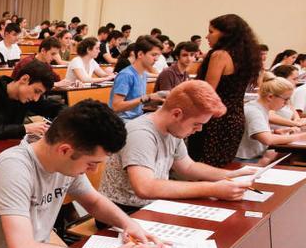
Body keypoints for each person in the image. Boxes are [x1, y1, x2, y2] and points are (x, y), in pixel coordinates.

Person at [0, 100, 163, 248]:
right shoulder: (14, 168)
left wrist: (129, 225)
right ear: (65, 150)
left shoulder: (64, 165)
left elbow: (94, 201)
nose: (92, 170)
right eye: (91, 163)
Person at [99, 81, 254, 217]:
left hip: (149, 206)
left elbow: (188, 167)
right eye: (196, 124)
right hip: (123, 212)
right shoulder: (141, 134)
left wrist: (231, 175)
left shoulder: (173, 129)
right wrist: (213, 189)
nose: (199, 129)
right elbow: (145, 188)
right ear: (177, 114)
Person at [187, 14, 263, 167]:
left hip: (215, 120)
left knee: (203, 168)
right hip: (235, 117)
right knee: (221, 167)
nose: (207, 36)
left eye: (211, 31)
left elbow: (207, 92)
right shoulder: (246, 56)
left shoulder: (220, 55)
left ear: (226, 33)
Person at [236, 77, 306, 164]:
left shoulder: (260, 108)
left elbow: (257, 134)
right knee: (294, 159)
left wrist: (275, 132)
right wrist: (300, 137)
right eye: (285, 99)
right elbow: (267, 140)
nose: (287, 103)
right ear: (270, 97)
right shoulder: (254, 111)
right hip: (245, 160)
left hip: (255, 155)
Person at [110, 35, 165, 120]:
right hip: (122, 121)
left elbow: (138, 102)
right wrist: (147, 98)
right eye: (154, 55)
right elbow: (116, 106)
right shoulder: (126, 75)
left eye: (158, 56)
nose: (156, 59)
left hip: (136, 119)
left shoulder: (143, 74)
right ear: (140, 54)